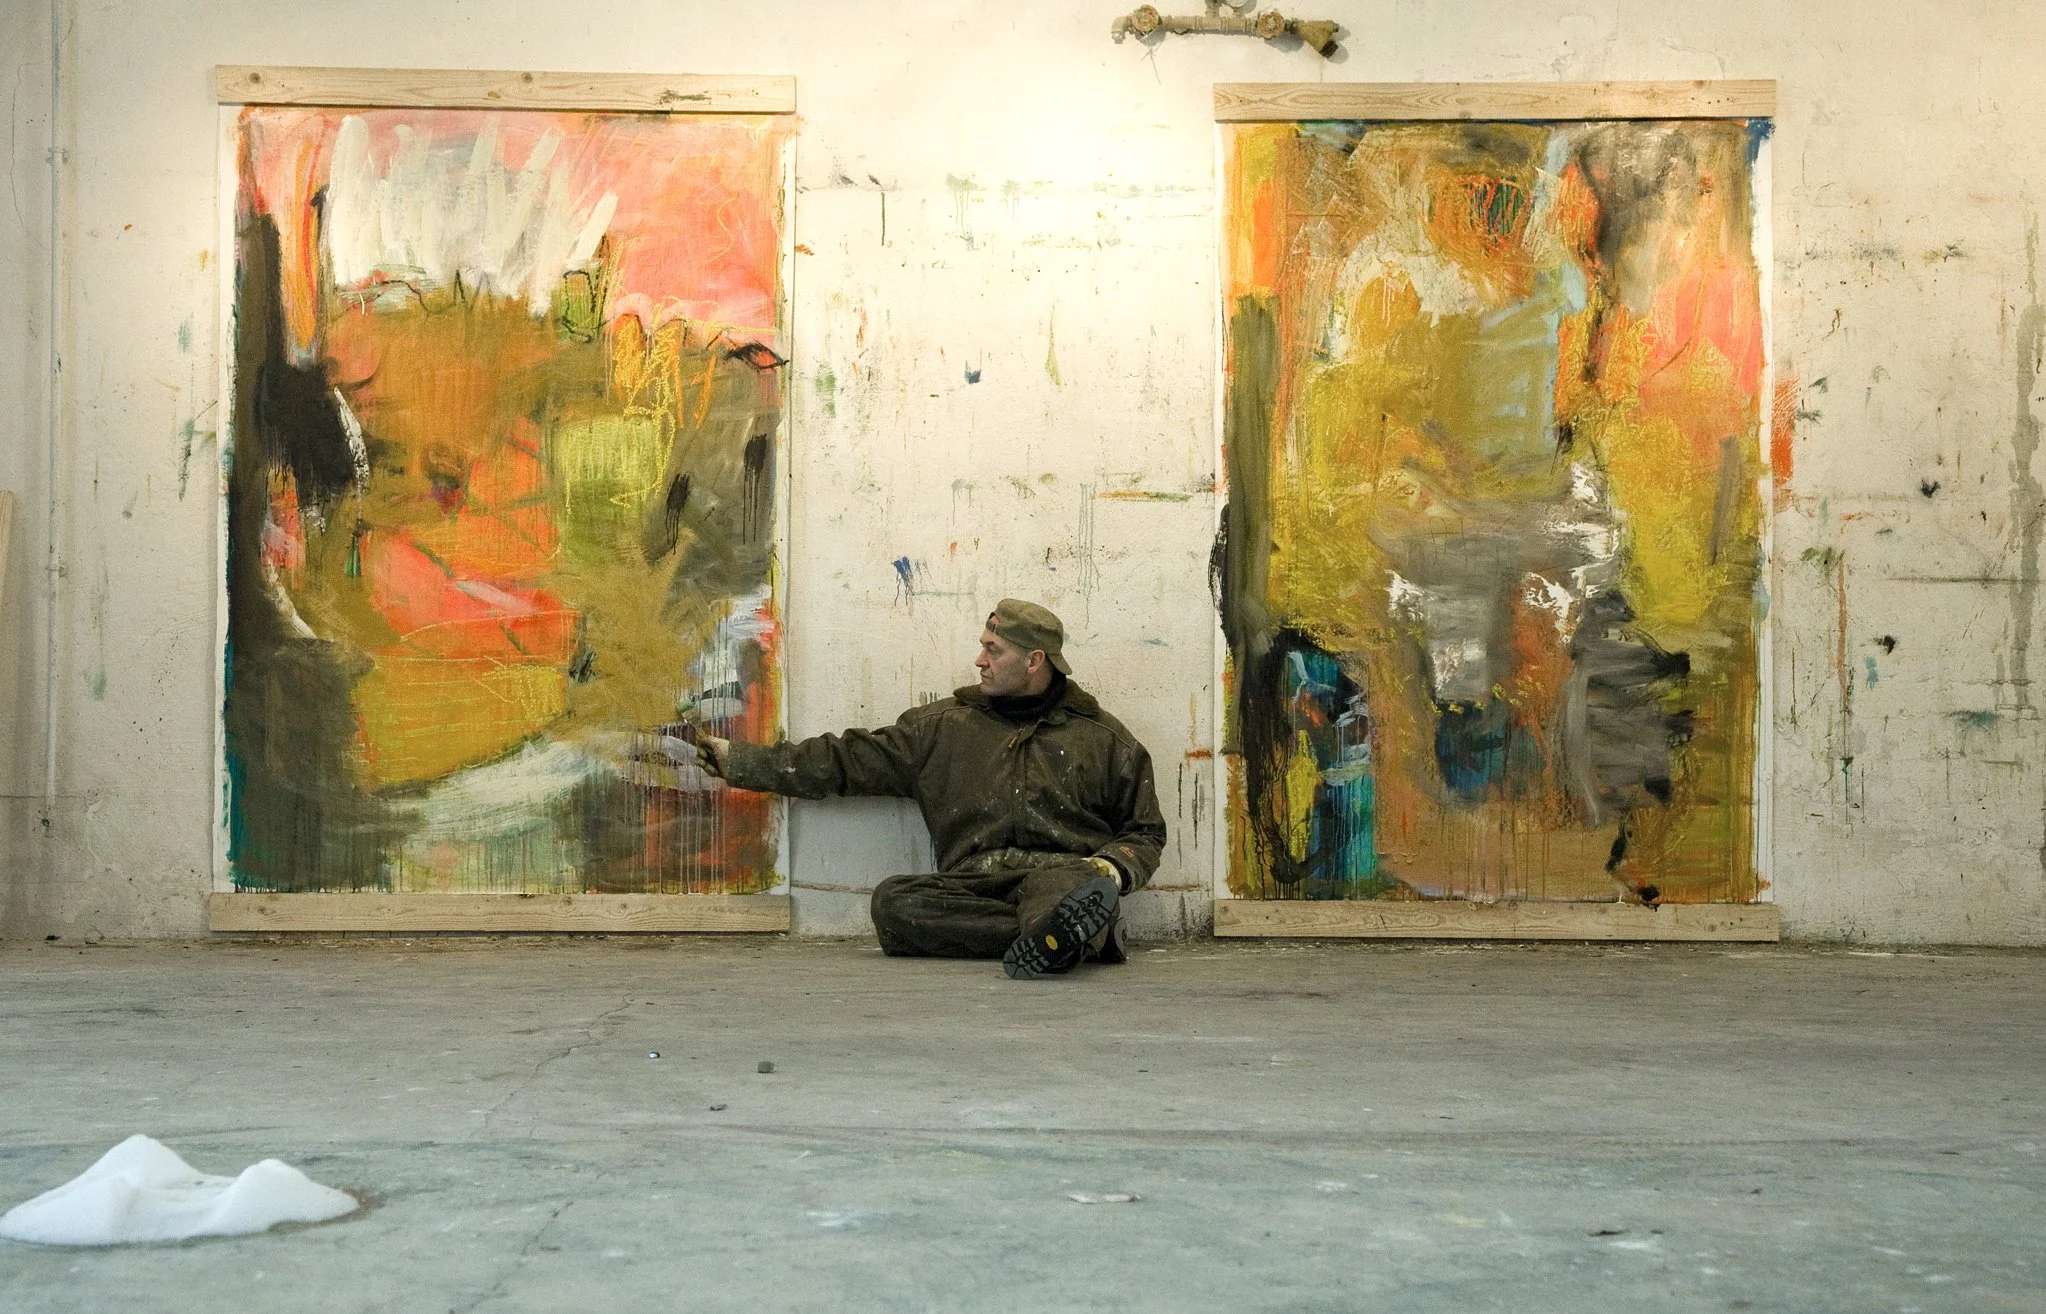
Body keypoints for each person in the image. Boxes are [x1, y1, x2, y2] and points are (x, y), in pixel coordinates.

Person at [684, 599, 1166, 979]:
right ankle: (1071, 937)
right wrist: (743, 762)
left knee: (1058, 896)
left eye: (994, 651)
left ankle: (1064, 924)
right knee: (893, 904)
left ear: (1034, 660)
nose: (979, 661)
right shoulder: (942, 728)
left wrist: (1110, 869)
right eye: (983, 646)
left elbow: (1144, 832)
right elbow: (847, 760)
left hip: (1059, 879)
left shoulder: (1105, 741)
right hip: (971, 887)